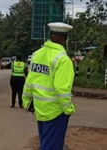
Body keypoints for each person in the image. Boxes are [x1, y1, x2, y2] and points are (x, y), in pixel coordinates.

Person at [22, 22, 76, 150]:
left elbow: (29, 81)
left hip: (39, 109)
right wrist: (69, 109)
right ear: (65, 38)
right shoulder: (63, 60)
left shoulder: (36, 54)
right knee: (52, 147)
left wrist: (26, 102)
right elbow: (62, 89)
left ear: (50, 35)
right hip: (56, 112)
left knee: (46, 144)